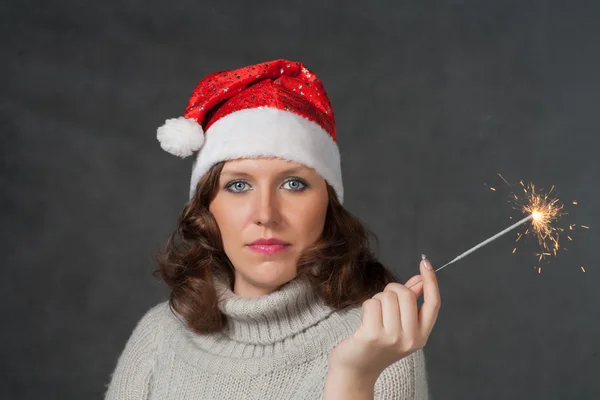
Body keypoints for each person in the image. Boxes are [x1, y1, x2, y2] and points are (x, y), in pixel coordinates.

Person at [104, 59, 441, 399]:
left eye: (293, 184)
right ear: (206, 207)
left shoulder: (380, 345)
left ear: (328, 203)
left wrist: (353, 377)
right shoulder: (159, 335)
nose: (266, 214)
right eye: (238, 186)